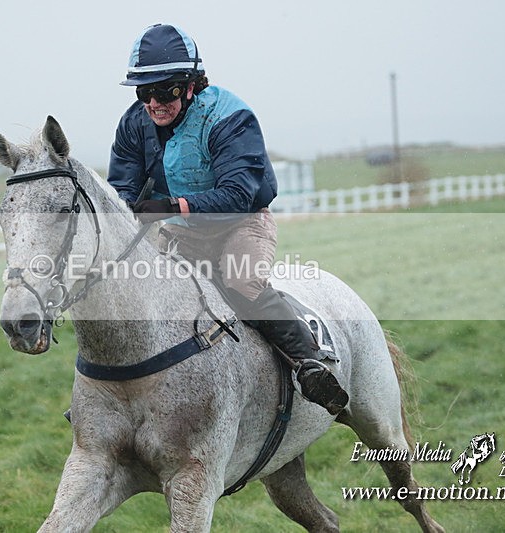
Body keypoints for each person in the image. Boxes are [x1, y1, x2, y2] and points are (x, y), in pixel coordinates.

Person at [107, 23, 348, 415]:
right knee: (147, 290)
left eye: (164, 91)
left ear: (190, 86)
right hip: (184, 231)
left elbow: (237, 195)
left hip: (242, 222)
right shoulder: (134, 123)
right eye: (143, 92)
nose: (153, 103)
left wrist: (170, 207)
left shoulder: (229, 116)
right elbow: (122, 188)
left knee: (239, 281)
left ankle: (310, 363)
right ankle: (109, 391)